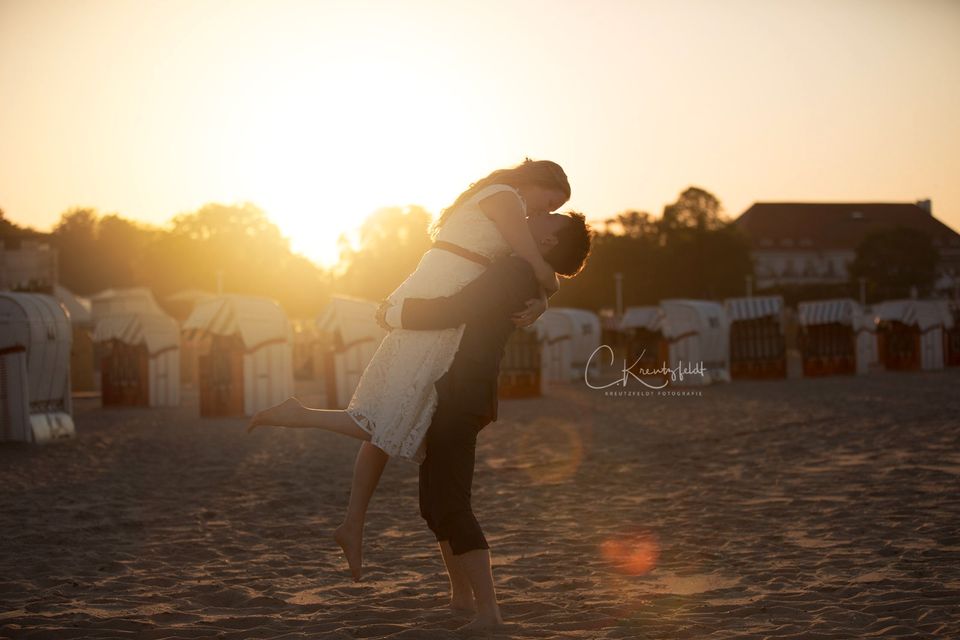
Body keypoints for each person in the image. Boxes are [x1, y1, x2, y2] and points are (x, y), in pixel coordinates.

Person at [247, 159, 571, 580]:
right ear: (536, 183)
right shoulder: (505, 198)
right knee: (394, 410)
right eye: (550, 203)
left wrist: (542, 296)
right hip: (438, 300)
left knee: (395, 411)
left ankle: (353, 522)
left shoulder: (503, 205)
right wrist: (549, 294)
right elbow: (535, 263)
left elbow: (527, 269)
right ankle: (301, 418)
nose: (543, 215)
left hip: (441, 296)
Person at [383, 211, 593, 630]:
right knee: (432, 504)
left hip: (462, 393)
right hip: (456, 390)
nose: (531, 215)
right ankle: (462, 598)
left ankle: (488, 612)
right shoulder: (522, 267)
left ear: (549, 243)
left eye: (546, 217)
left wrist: (396, 313)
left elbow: (458, 308)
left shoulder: (516, 269)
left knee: (452, 502)